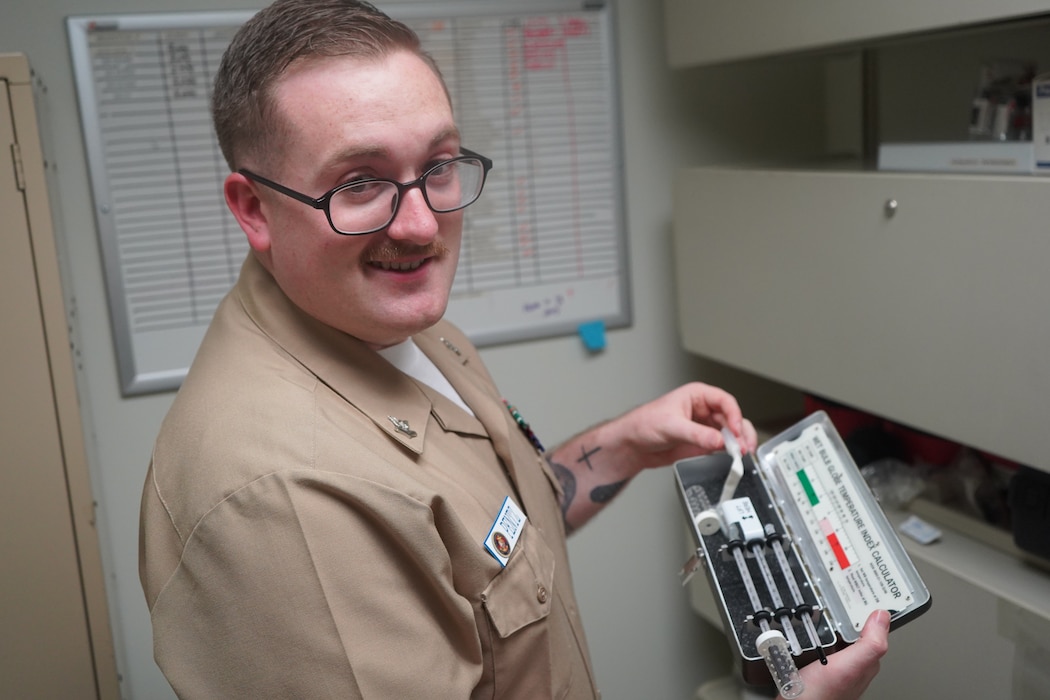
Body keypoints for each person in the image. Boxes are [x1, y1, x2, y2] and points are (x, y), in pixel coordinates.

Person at [138, 1, 889, 698]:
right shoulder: (279, 498)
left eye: (437, 166)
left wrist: (621, 445)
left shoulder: (388, 318)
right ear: (254, 208)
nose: (422, 226)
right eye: (361, 183)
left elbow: (491, 541)